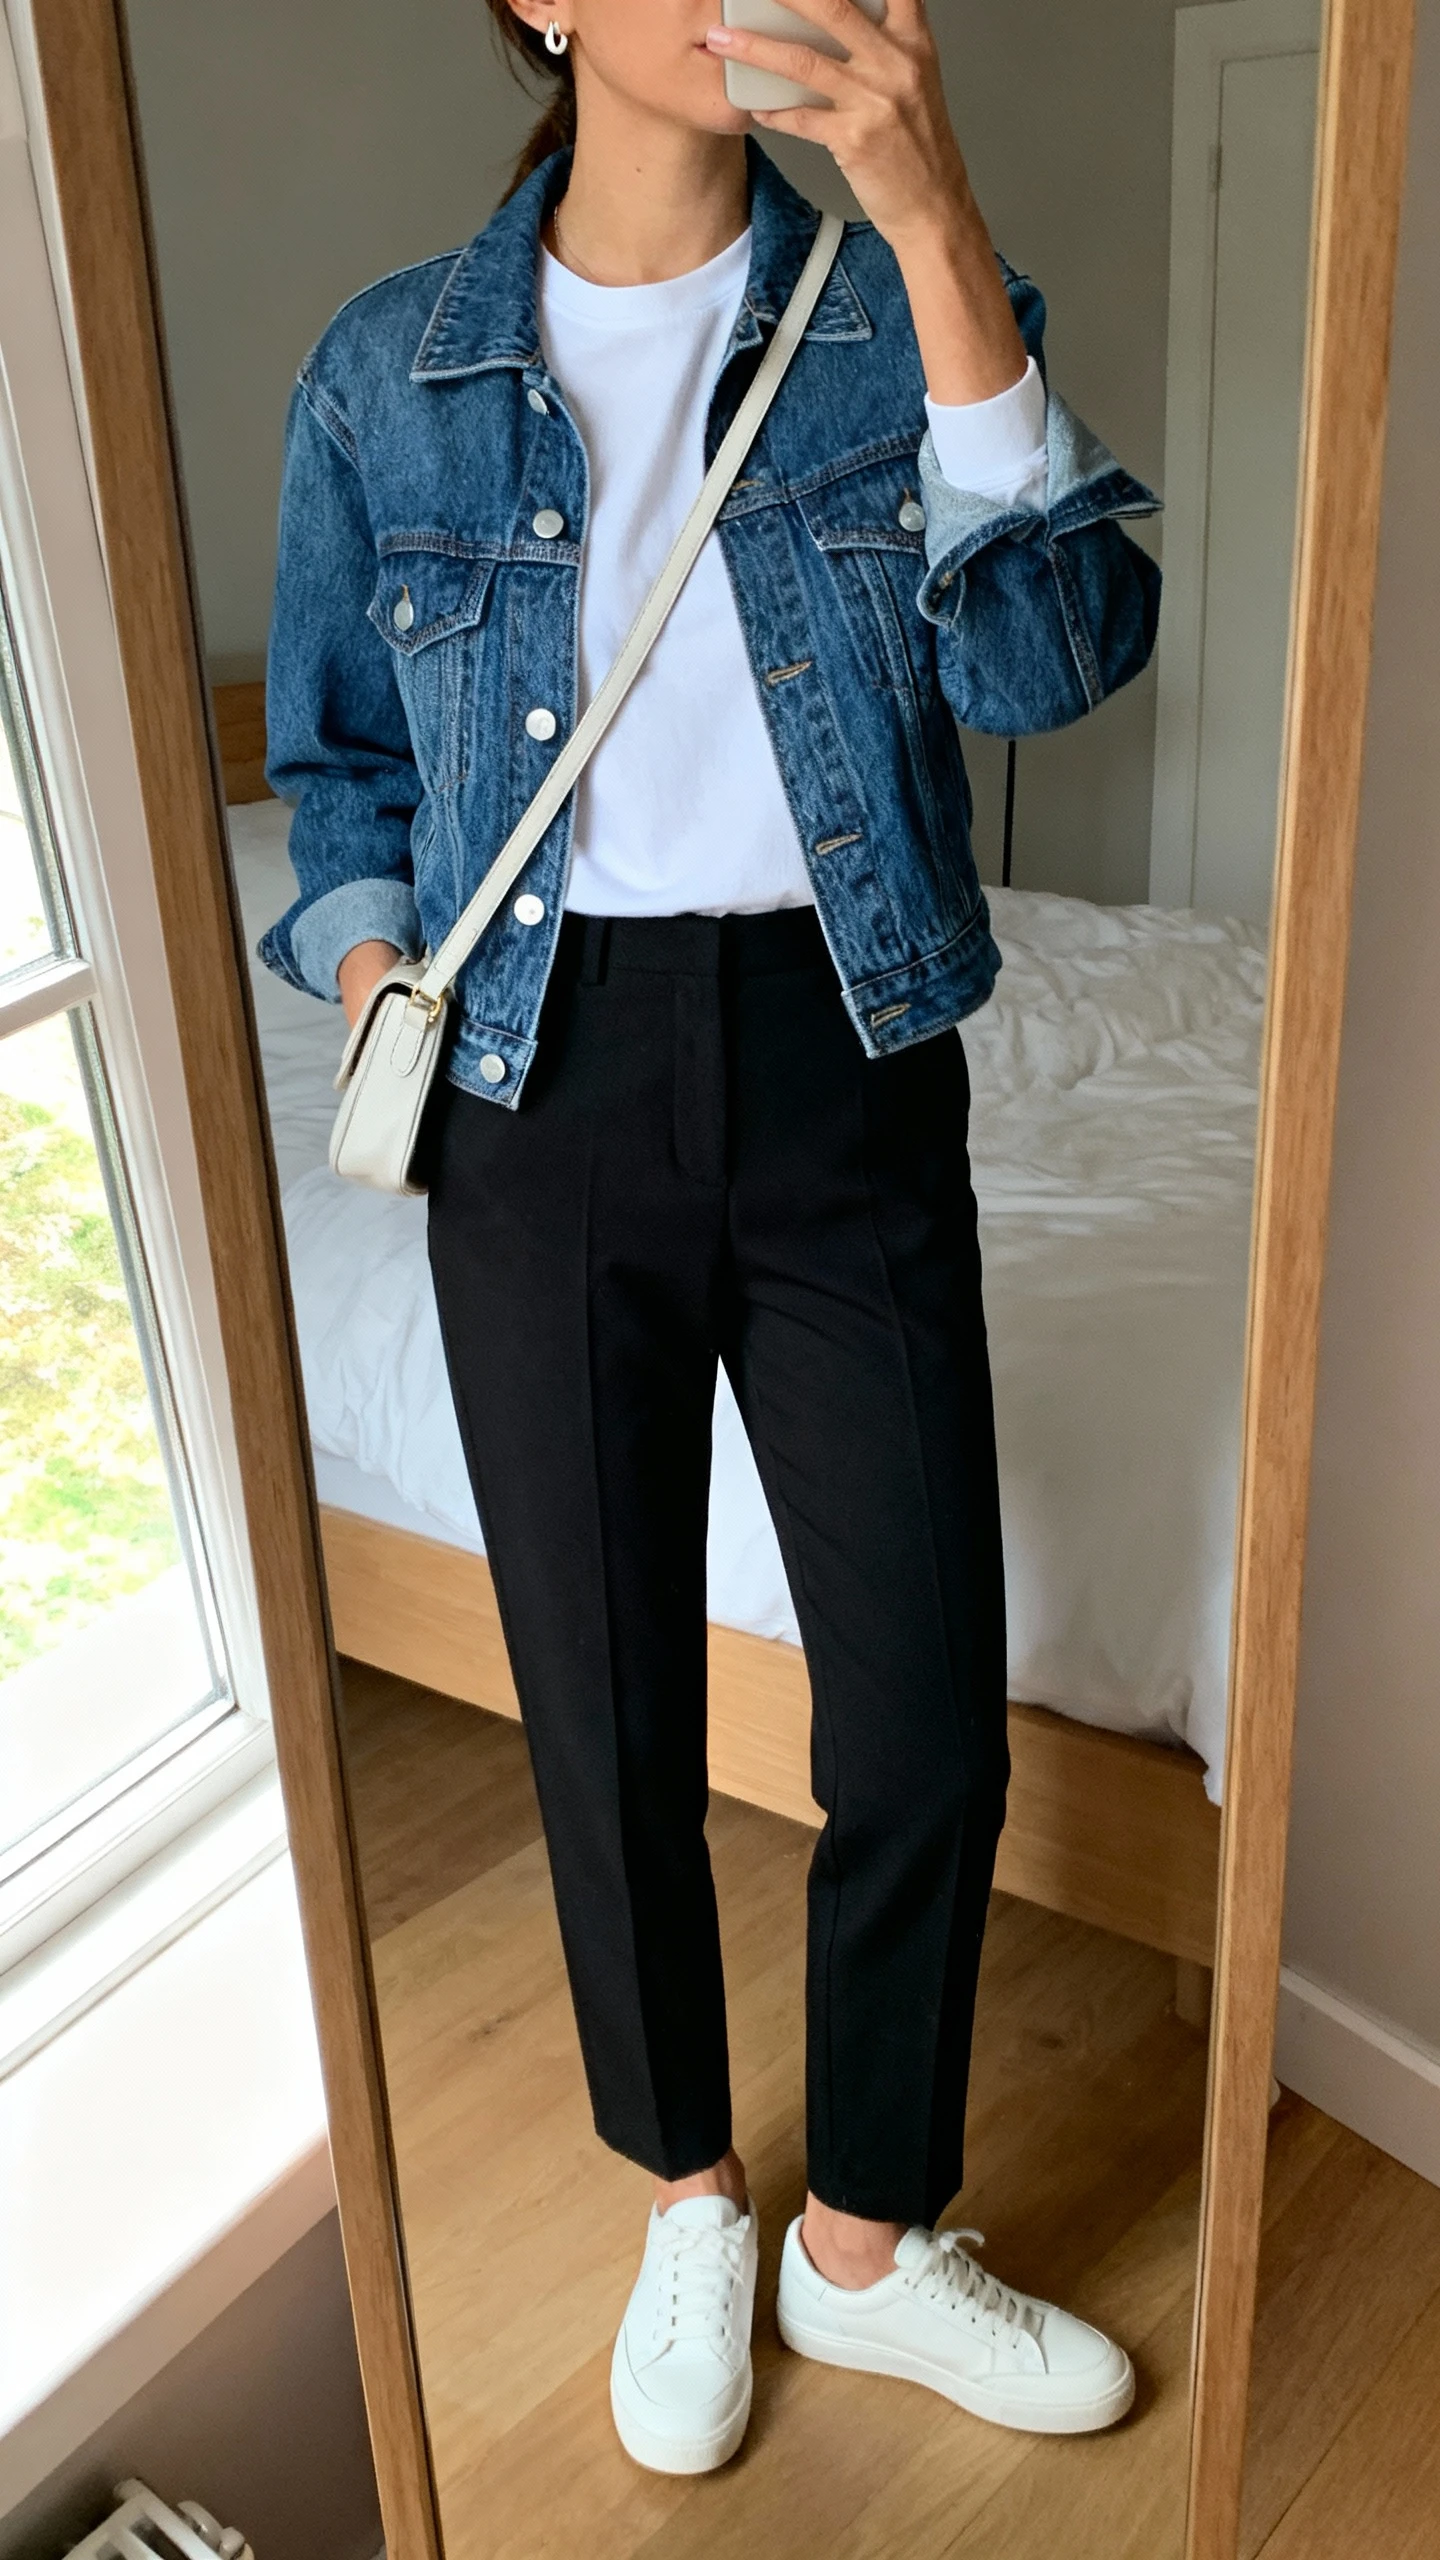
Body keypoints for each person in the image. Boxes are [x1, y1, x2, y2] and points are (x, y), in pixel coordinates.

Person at [260, 0, 1160, 2479]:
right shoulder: (387, 374)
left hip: (848, 1051)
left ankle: (865, 2238)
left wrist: (941, 208)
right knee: (608, 1701)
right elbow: (331, 761)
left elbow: (1059, 655)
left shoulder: (898, 309)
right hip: (535, 1085)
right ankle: (687, 2184)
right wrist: (375, 975)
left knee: (919, 1721)